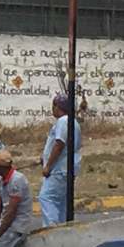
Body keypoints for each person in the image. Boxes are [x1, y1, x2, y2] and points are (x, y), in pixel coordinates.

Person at [39, 93, 82, 227]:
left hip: (59, 169)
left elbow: (59, 144)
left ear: (58, 107)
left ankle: (51, 226)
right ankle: (63, 227)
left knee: (46, 197)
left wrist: (48, 166)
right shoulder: (72, 122)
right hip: (65, 168)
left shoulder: (64, 121)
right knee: (61, 201)